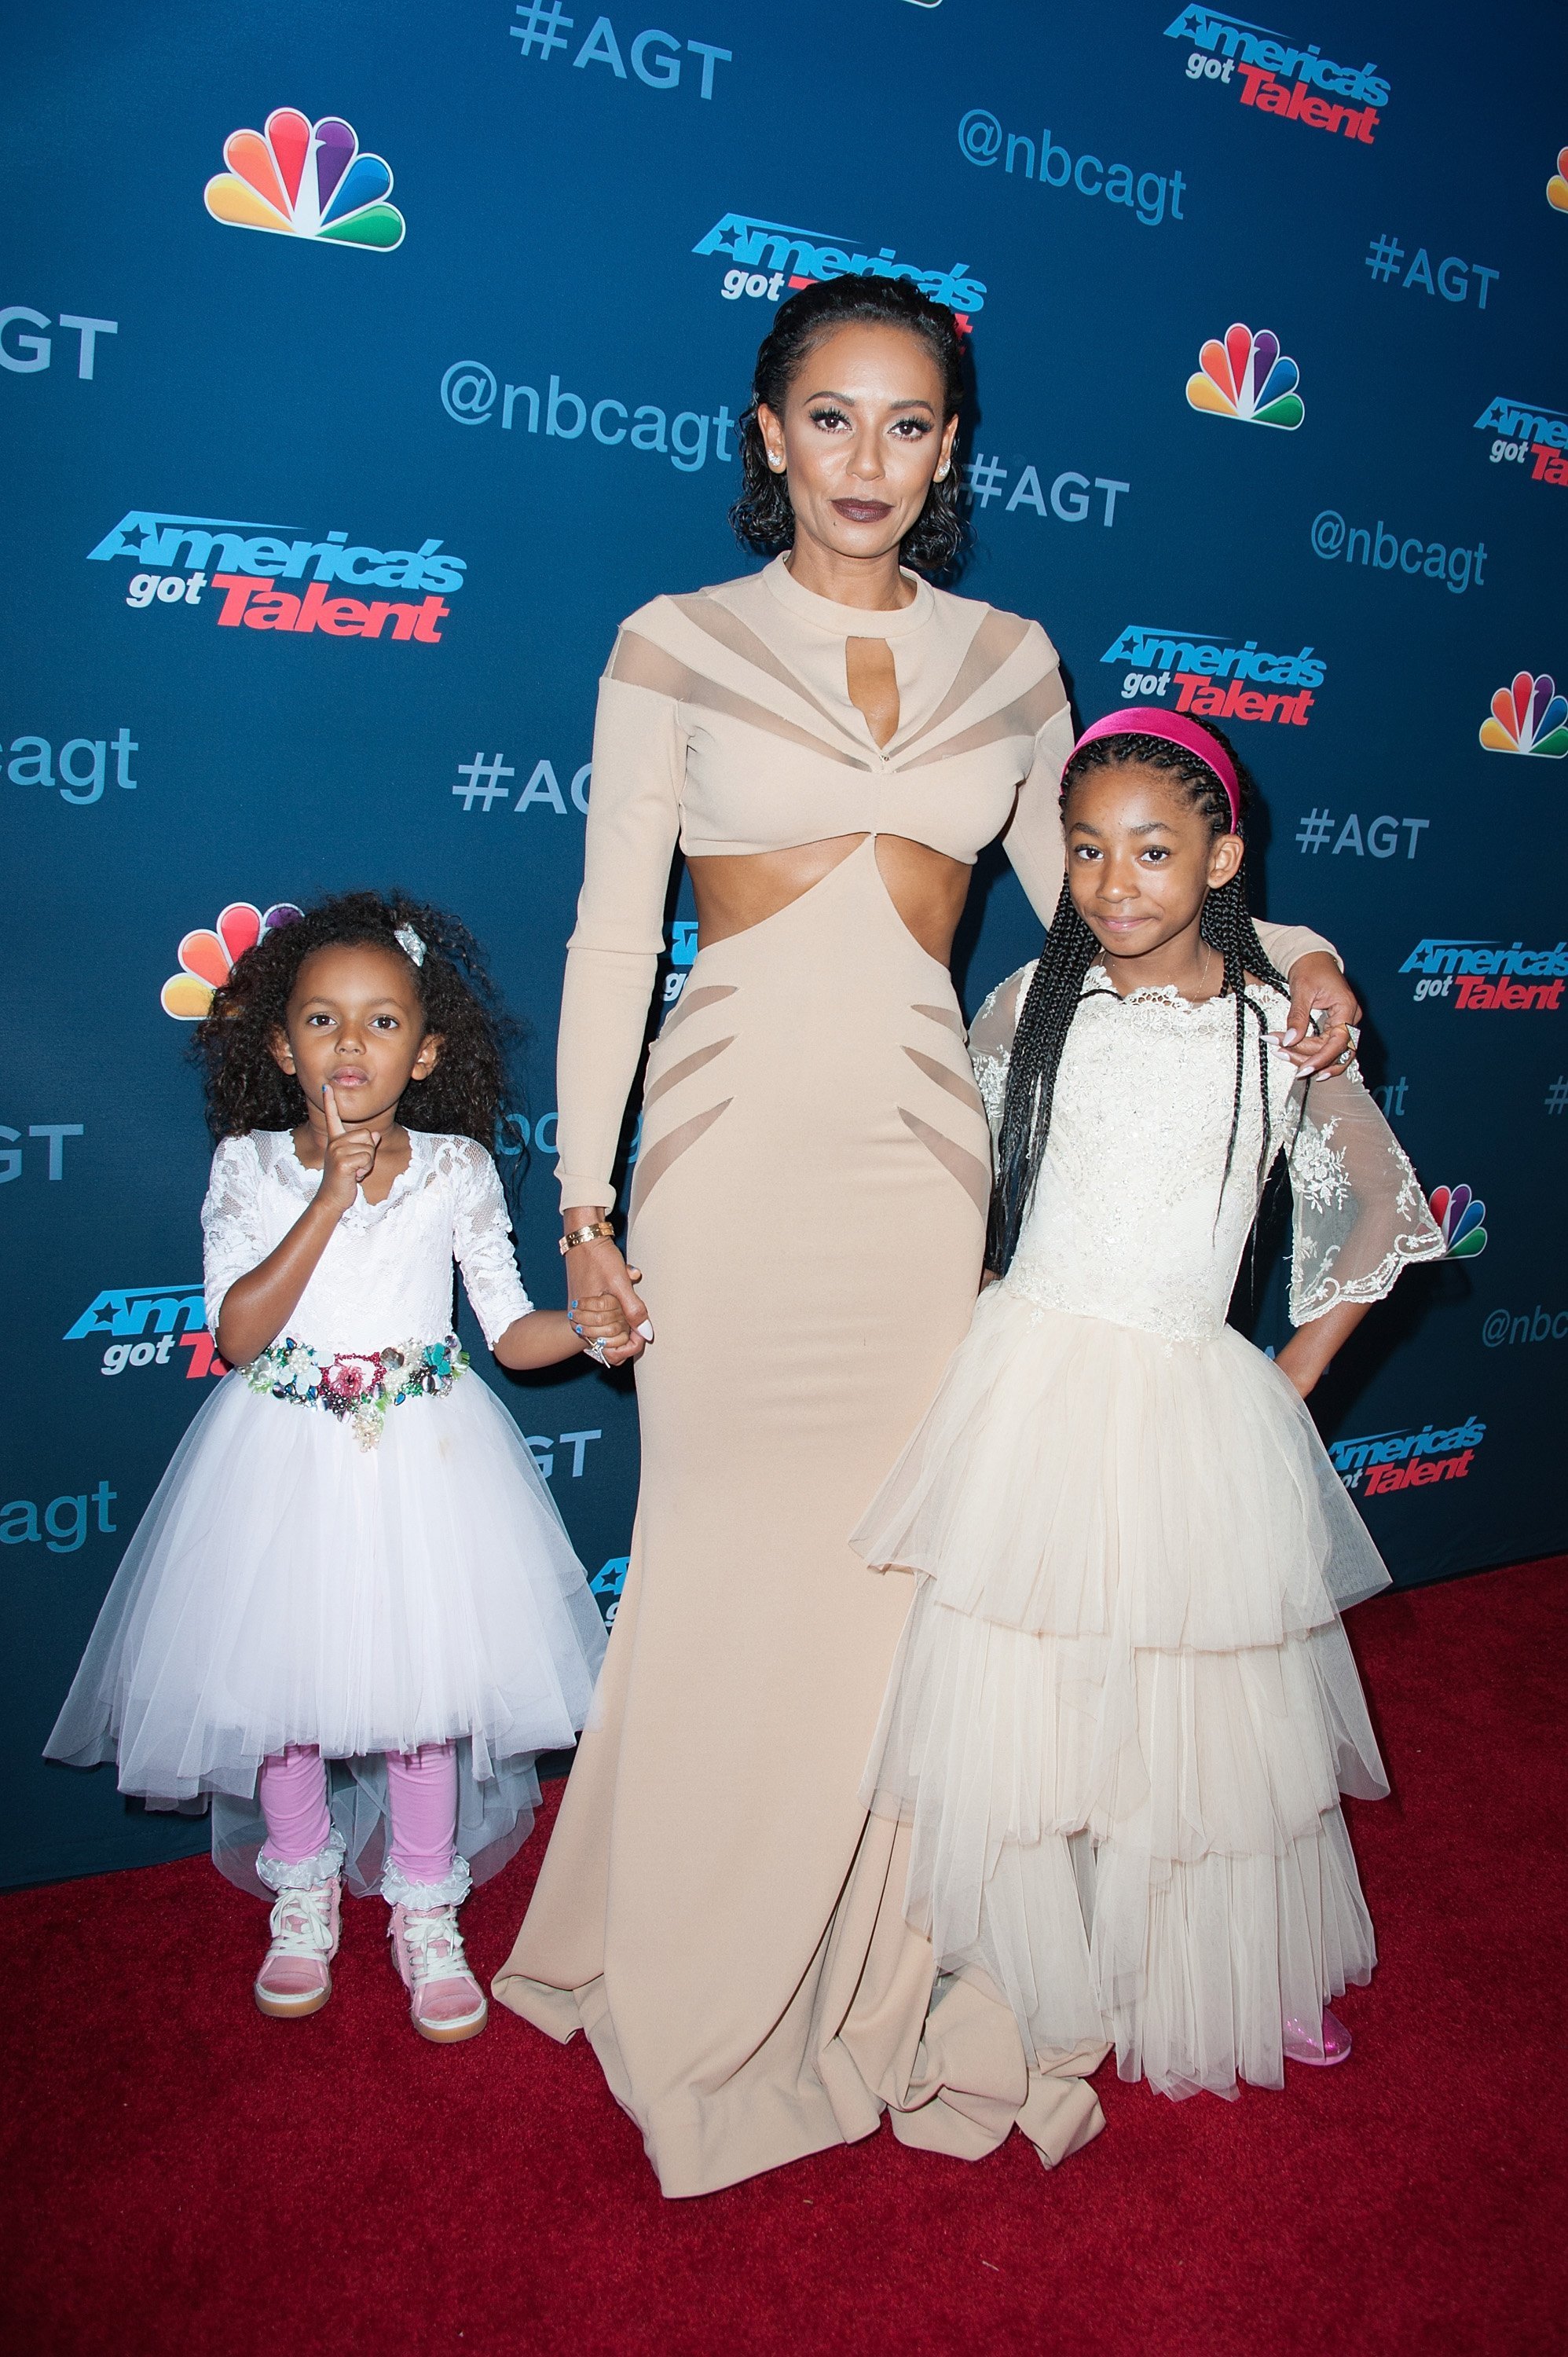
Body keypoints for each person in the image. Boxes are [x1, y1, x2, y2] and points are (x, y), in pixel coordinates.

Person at [493, 276, 1364, 2192]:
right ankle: (703, 1969)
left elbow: (1107, 911)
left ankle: (884, 1960)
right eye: (829, 417)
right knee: (722, 1563)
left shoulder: (1015, 659)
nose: (865, 460)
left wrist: (1291, 950)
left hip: (912, 1167)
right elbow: (601, 931)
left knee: (900, 1597)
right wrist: (579, 1198)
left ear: (949, 448)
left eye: (906, 424)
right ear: (763, 430)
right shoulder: (675, 641)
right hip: (721, 1148)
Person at [852, 711, 1444, 2101]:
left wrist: (1296, 1371)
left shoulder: (1281, 1029)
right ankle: (1025, 1946)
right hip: (1031, 1375)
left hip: (1187, 1395)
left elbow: (1383, 1208)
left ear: (1223, 858)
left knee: (1206, 1705)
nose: (1116, 883)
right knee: (1027, 1676)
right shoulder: (1028, 1004)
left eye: (1156, 851)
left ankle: (1237, 1961)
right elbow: (956, 1172)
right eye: (1087, 852)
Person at [47, 893, 624, 2042]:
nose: (350, 1046)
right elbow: (245, 1330)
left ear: (427, 1050)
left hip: (425, 1459)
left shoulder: (456, 1171)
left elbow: (510, 1330)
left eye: (381, 1022)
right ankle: (302, 1892)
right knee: (287, 1697)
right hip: (283, 1462)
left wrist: (599, 1327)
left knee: (422, 1699)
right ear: (277, 1041)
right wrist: (326, 1196)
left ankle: (425, 1904)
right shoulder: (249, 1168)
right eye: (321, 1020)